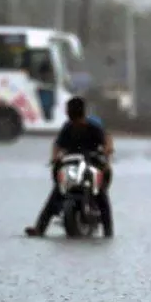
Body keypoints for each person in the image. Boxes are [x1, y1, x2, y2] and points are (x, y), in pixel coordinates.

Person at [24, 97, 115, 238]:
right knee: (57, 192)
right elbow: (57, 144)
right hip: (72, 164)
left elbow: (107, 140)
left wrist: (107, 152)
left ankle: (108, 231)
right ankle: (40, 229)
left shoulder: (93, 127)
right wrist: (55, 157)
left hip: (92, 163)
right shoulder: (68, 128)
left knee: (101, 194)